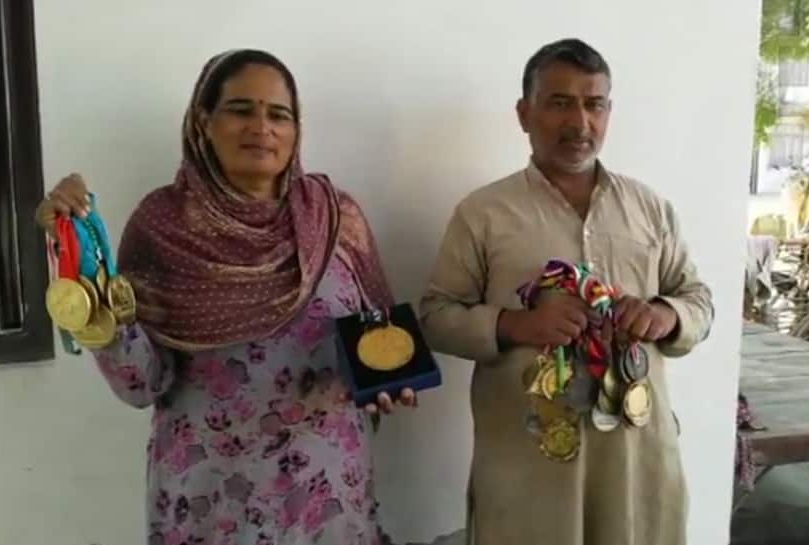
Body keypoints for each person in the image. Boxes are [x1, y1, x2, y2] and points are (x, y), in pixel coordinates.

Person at [36, 49, 414, 545]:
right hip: (210, 499)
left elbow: (379, 341)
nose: (262, 126)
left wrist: (390, 382)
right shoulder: (164, 226)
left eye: (279, 114)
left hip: (326, 495)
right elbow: (140, 384)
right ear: (204, 122)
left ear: (297, 131)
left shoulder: (333, 217)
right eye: (240, 109)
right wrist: (85, 275)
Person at [419, 38, 714, 545]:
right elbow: (435, 316)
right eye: (559, 102)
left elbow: (697, 299)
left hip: (635, 460)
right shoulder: (484, 213)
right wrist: (516, 324)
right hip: (527, 463)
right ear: (524, 113)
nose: (579, 122)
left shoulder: (651, 209)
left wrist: (665, 315)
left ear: (608, 112)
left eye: (593, 103)